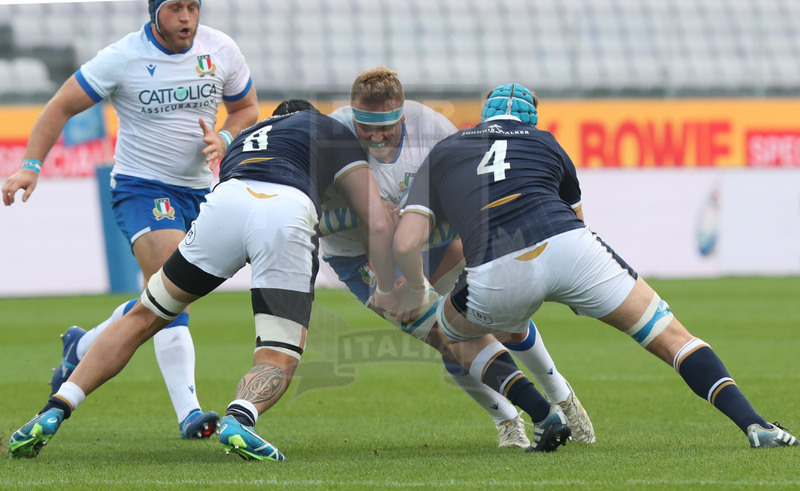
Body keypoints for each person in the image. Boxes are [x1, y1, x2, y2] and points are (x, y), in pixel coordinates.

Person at [390, 82, 800, 450]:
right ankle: (756, 425)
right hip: (572, 248)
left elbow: (407, 242)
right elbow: (578, 220)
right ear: (532, 119)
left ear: (483, 116)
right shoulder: (547, 142)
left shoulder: (446, 150)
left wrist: (414, 287)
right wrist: (574, 291)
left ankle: (542, 412)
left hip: (498, 267)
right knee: (671, 336)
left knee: (451, 335)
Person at [8, 99, 398, 461]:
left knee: (143, 316)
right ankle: (240, 418)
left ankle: (56, 407)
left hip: (225, 204)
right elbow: (375, 219)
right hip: (286, 212)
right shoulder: (329, 128)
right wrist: (386, 283)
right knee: (279, 351)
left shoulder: (247, 136)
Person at [1, 0, 259, 439]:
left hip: (200, 191)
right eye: (175, 8)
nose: (186, 17)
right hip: (143, 188)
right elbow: (60, 106)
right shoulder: (123, 58)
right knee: (172, 291)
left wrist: (225, 136)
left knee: (161, 299)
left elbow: (246, 108)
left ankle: (82, 345)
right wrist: (30, 165)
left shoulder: (221, 49)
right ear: (154, 11)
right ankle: (190, 413)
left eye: (192, 7)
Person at [319, 66, 595, 447]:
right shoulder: (332, 136)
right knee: (446, 337)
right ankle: (508, 420)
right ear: (353, 117)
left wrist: (423, 270)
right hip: (358, 255)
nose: (376, 136)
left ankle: (563, 398)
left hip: (433, 239)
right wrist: (370, 216)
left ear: (403, 116)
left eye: (386, 127)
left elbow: (468, 199)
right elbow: (312, 213)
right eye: (366, 127)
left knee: (504, 323)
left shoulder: (433, 130)